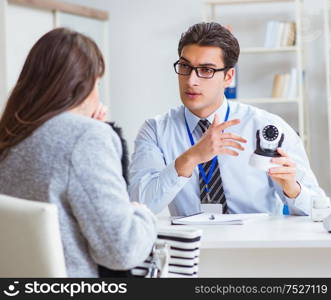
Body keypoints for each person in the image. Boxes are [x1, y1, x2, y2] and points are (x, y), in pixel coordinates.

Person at [0, 28, 157, 277]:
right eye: (97, 83)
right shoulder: (87, 138)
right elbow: (122, 250)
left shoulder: (10, 133)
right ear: (82, 86)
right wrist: (144, 214)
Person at [129, 22, 325, 217]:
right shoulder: (155, 130)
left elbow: (320, 211)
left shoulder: (267, 127)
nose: (191, 80)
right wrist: (191, 158)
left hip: (257, 245)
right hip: (191, 246)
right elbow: (139, 205)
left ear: (229, 77)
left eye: (206, 70)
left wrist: (293, 189)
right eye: (185, 66)